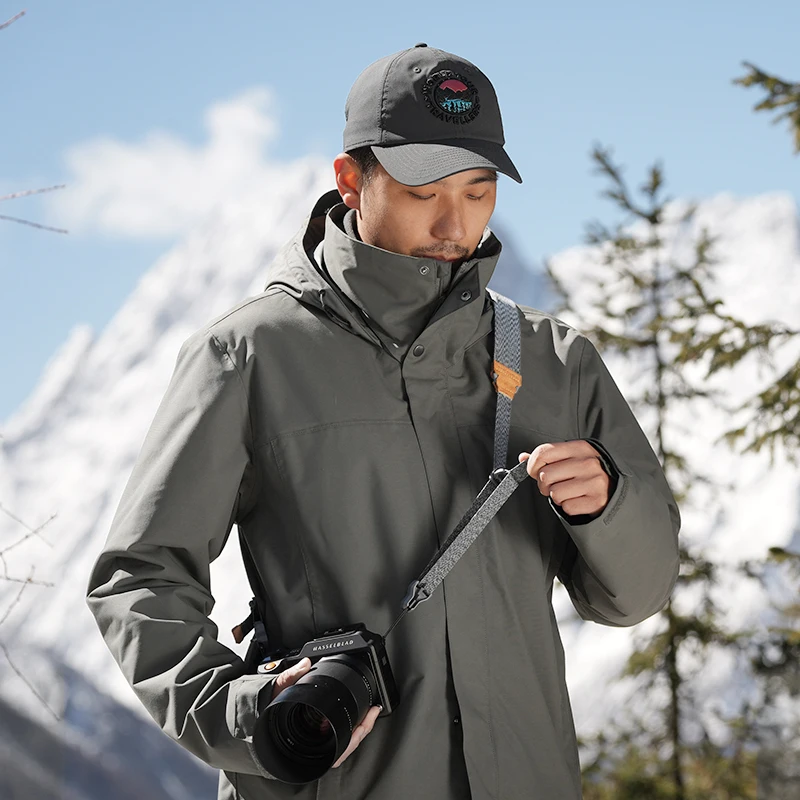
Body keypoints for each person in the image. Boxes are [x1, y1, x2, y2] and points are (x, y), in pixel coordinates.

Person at [86, 44, 680, 800]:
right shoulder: (249, 356)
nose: (454, 223)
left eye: (478, 192)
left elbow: (637, 593)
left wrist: (607, 508)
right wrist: (248, 716)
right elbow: (140, 576)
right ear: (350, 179)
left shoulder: (556, 361)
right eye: (423, 192)